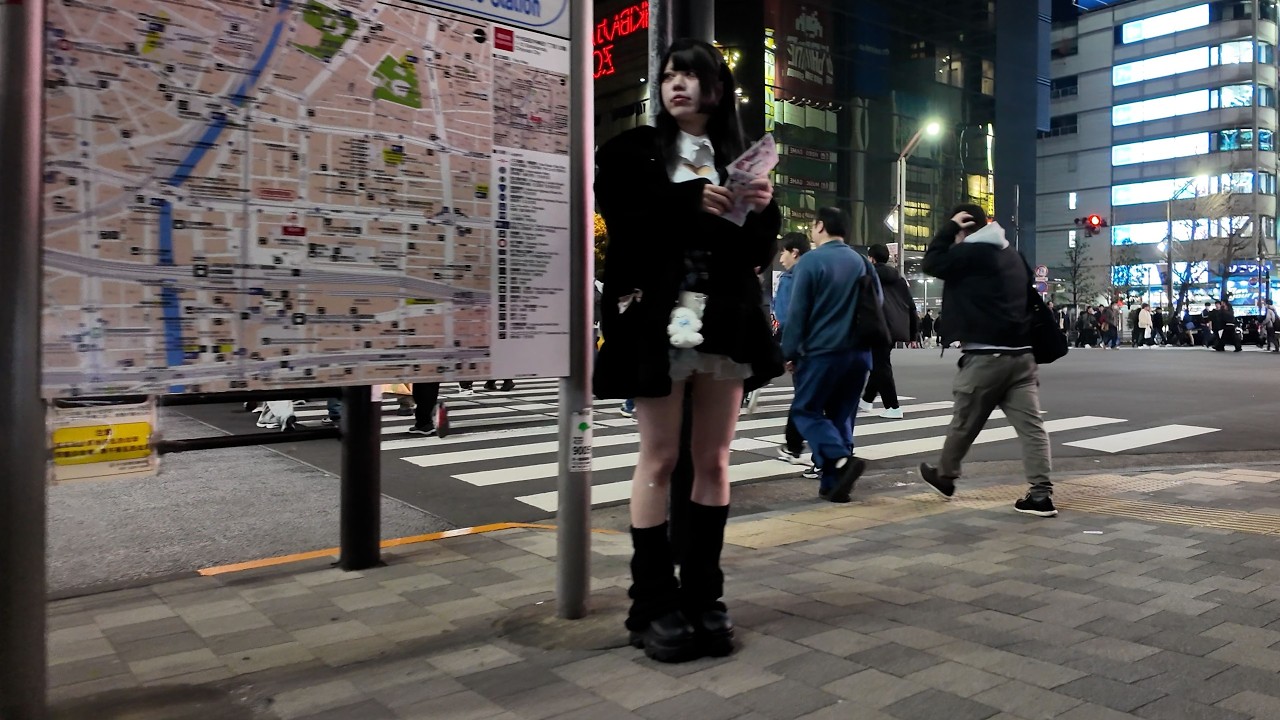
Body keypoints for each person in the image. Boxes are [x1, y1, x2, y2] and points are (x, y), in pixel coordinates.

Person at [593, 38, 782, 664]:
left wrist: (763, 210)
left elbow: (754, 253)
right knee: (659, 456)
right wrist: (688, 198)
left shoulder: (736, 161)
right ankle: (651, 602)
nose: (677, 84)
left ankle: (705, 596)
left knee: (714, 459)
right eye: (670, 74)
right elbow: (623, 217)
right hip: (655, 319)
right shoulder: (631, 151)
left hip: (723, 319)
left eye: (691, 76)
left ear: (717, 90)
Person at [917, 204, 1056, 518]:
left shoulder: (972, 252)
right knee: (1032, 429)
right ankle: (1040, 495)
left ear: (964, 227)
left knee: (964, 423)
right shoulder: (1012, 255)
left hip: (986, 357)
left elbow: (932, 262)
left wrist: (949, 229)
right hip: (1022, 357)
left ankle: (945, 477)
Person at [780, 207, 875, 503]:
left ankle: (840, 460)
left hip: (822, 352)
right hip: (858, 353)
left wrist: (789, 352)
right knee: (841, 416)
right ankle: (834, 486)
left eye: (812, 225)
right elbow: (877, 304)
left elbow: (797, 313)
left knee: (805, 411)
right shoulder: (861, 262)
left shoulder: (811, 261)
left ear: (820, 226)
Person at [859, 243, 918, 419]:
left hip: (877, 325)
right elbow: (911, 306)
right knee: (879, 362)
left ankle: (893, 406)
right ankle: (867, 400)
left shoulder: (868, 276)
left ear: (871, 258)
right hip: (896, 327)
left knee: (880, 365)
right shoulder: (899, 279)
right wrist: (913, 333)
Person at [773, 232, 812, 465]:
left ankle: (795, 446)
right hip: (827, 346)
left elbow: (788, 319)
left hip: (803, 348)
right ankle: (795, 445)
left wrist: (789, 354)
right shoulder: (817, 271)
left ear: (795, 252)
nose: (780, 259)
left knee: (805, 398)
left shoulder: (789, 279)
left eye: (783, 252)